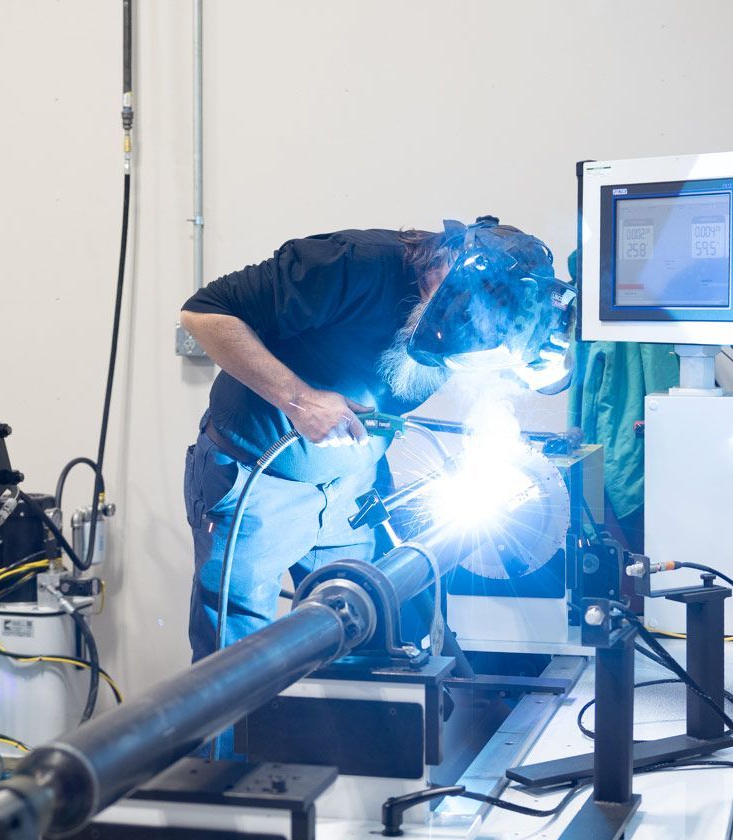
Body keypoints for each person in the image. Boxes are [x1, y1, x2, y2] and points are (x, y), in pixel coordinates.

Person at [177, 217, 573, 660]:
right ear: (446, 257)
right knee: (237, 665)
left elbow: (541, 374)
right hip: (258, 484)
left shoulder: (499, 314)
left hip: (353, 490)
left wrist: (546, 367)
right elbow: (202, 313)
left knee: (361, 642)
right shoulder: (350, 264)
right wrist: (299, 400)